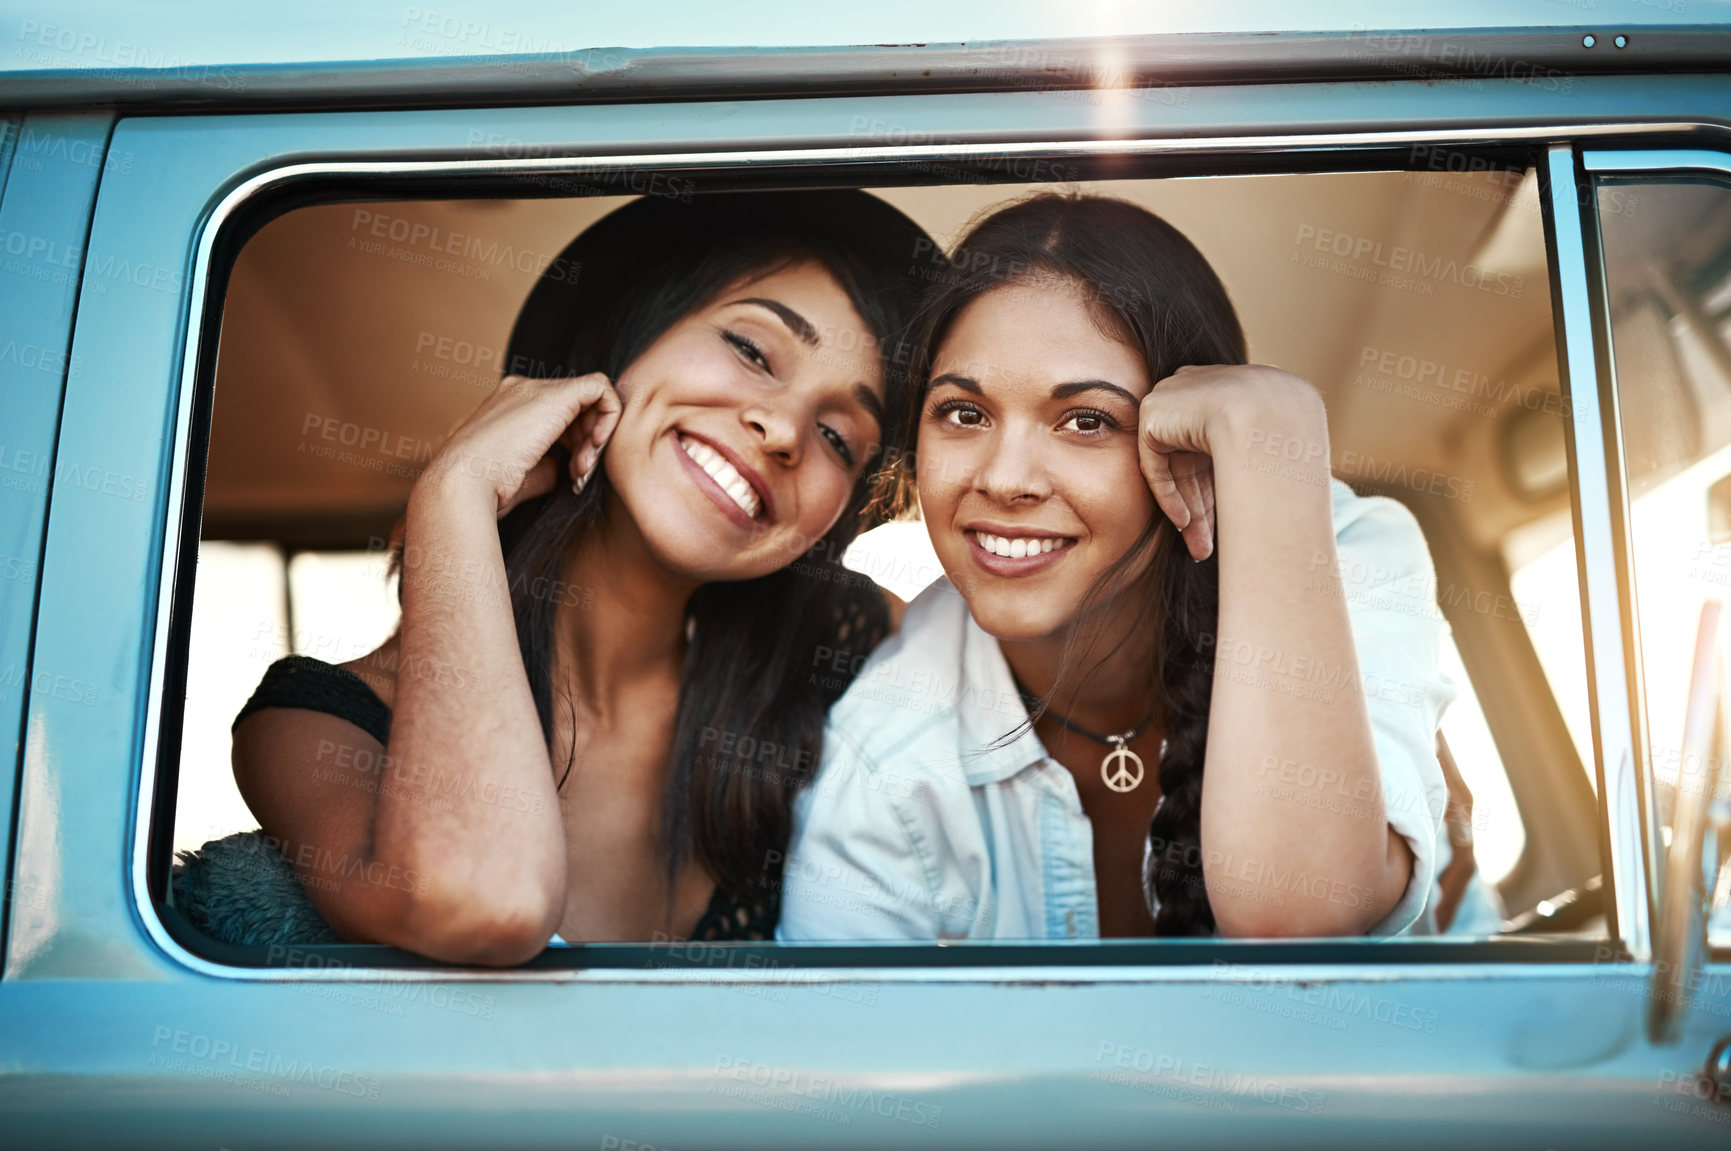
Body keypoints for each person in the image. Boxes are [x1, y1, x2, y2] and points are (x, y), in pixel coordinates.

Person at [227, 191, 934, 965]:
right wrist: (455, 491)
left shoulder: (862, 651)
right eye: (751, 350)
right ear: (625, 335)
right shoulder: (318, 727)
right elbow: (483, 902)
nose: (784, 430)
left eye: (838, 435)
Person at [777, 192, 1458, 940]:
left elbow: (1298, 914)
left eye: (1086, 421)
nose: (1005, 480)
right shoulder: (886, 747)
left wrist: (1271, 430)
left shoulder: (1344, 552)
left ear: (1187, 454)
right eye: (963, 413)